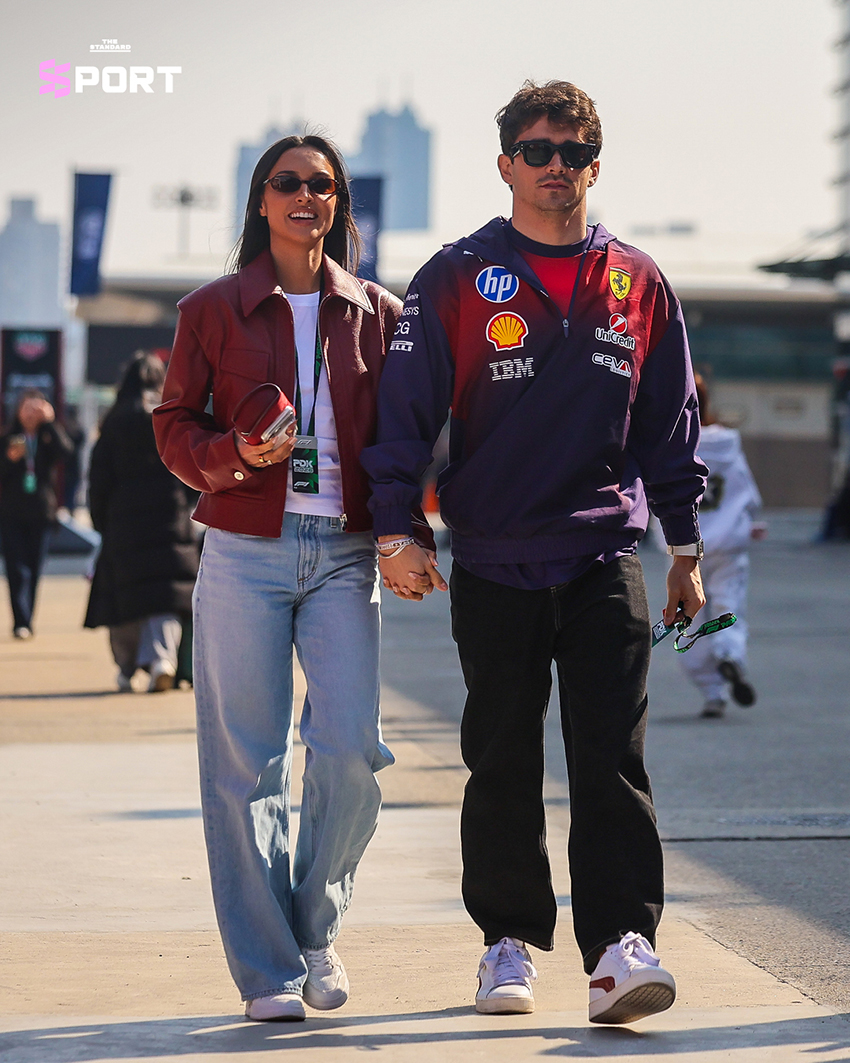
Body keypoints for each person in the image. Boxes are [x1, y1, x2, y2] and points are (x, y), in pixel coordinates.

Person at [362, 80, 707, 1026]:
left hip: (605, 557)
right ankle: (506, 942)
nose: (556, 165)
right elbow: (403, 418)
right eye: (538, 148)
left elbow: (671, 428)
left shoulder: (638, 282)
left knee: (611, 760)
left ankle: (619, 950)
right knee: (502, 756)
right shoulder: (456, 277)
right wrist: (398, 529)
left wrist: (685, 548)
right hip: (496, 560)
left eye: (573, 150)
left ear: (595, 164)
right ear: (506, 161)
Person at [153, 134, 433, 1022]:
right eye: (288, 183)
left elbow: (402, 442)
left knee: (352, 749)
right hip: (244, 552)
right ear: (262, 201)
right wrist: (230, 455)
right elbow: (172, 425)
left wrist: (400, 532)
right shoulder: (212, 310)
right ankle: (268, 968)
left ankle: (315, 927)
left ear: (339, 202)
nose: (306, 195)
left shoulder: (379, 313)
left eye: (322, 183)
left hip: (346, 556)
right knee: (247, 763)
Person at [84, 353, 200, 693]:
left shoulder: (114, 422)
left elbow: (98, 480)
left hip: (123, 522)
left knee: (124, 597)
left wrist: (101, 521)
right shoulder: (169, 416)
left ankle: (126, 668)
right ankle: (162, 660)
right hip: (170, 520)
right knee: (166, 597)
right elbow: (189, 470)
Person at [683, 375, 763, 718]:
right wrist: (751, 520)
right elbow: (746, 489)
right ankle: (729, 654)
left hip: (687, 547)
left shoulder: (674, 441)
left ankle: (713, 693)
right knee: (729, 605)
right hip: (729, 541)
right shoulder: (729, 442)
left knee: (691, 616)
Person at [0, 389, 72, 639]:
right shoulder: (8, 438)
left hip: (41, 513)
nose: (31, 414)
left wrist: (50, 423)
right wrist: (9, 460)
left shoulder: (47, 437)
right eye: (26, 408)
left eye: (36, 408)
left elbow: (67, 453)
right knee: (16, 568)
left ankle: (27, 619)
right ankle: (20, 620)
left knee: (34, 567)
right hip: (11, 513)